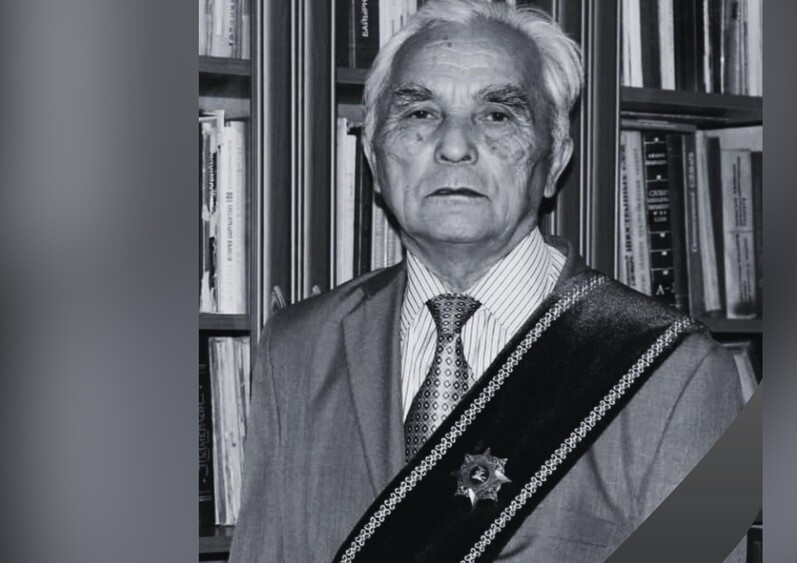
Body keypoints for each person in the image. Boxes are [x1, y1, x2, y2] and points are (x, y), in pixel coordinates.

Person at [228, 1, 745, 561]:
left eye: (497, 115)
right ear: (375, 160)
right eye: (420, 113)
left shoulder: (682, 373)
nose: (454, 145)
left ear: (555, 160)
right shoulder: (296, 348)